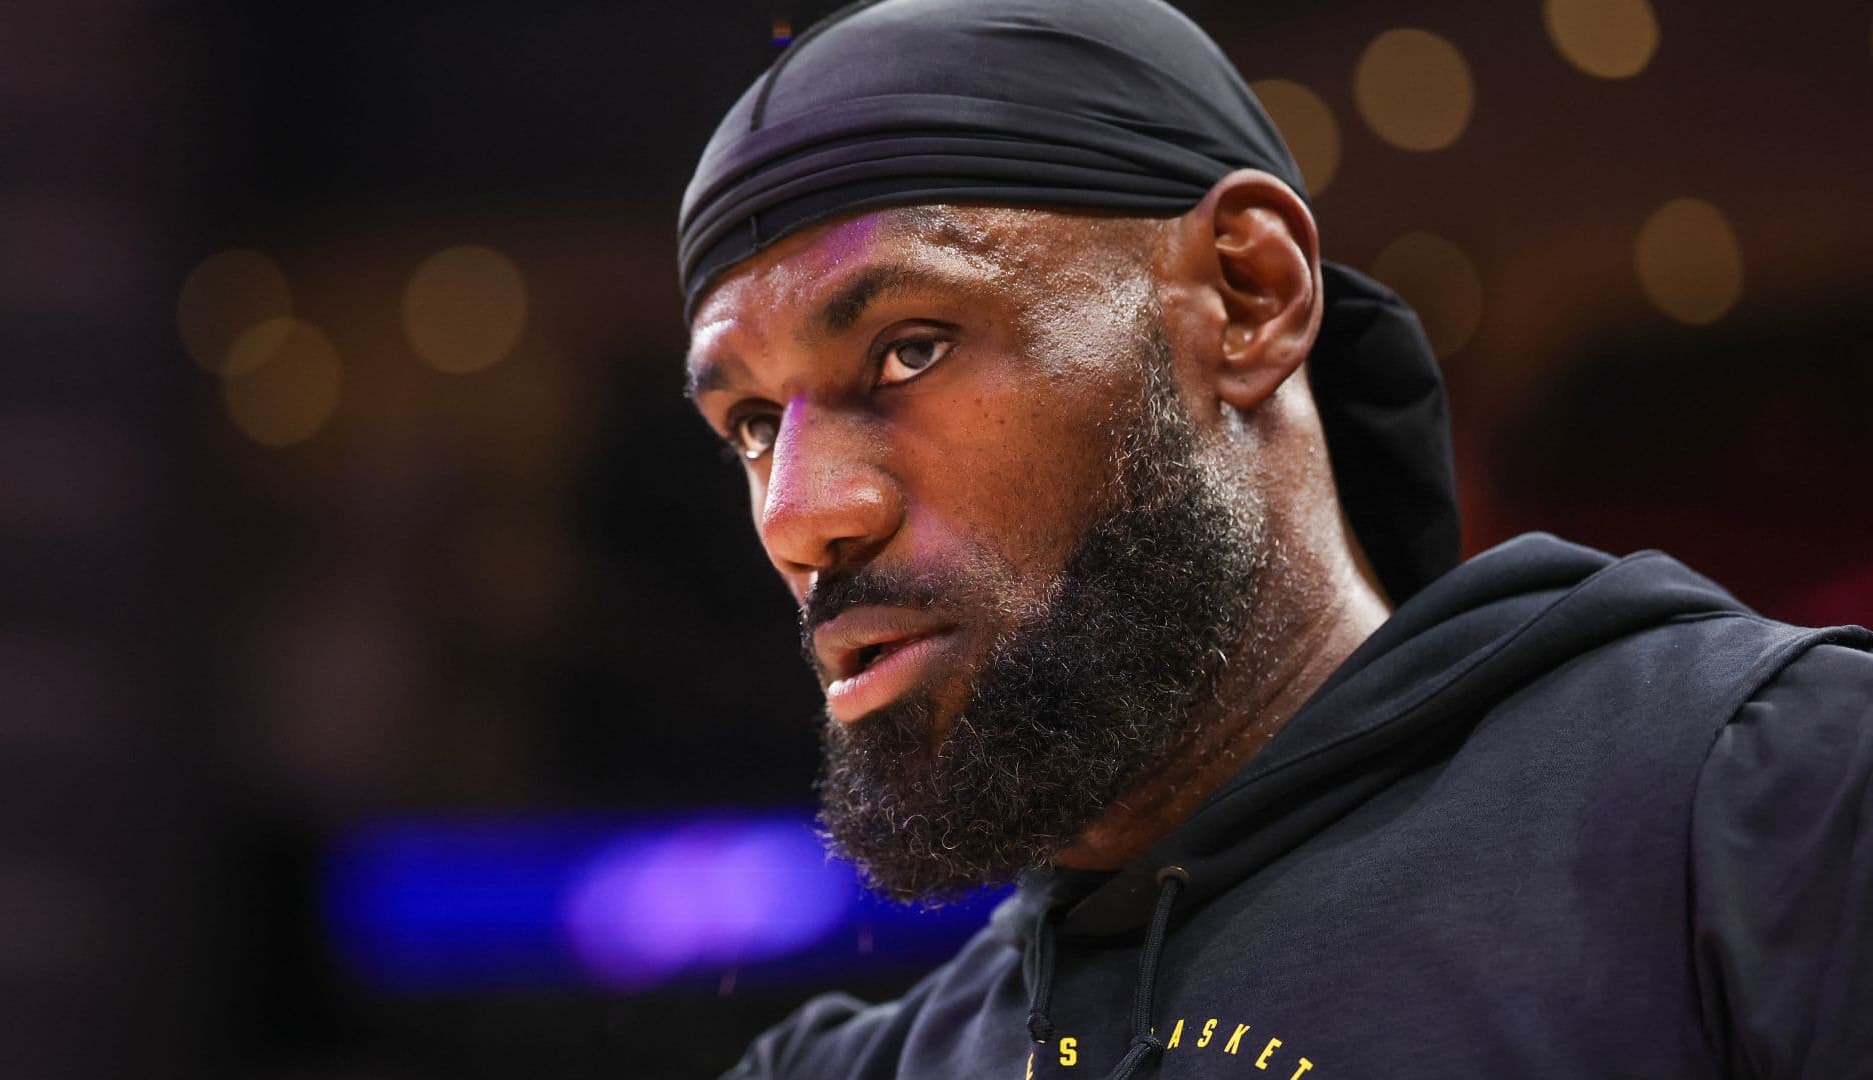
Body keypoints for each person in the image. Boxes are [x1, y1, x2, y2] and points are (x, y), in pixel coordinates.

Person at [675, 1, 1873, 1076]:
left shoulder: (1779, 802)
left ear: (1248, 296)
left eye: (910, 348)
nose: (797, 516)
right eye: (751, 424)